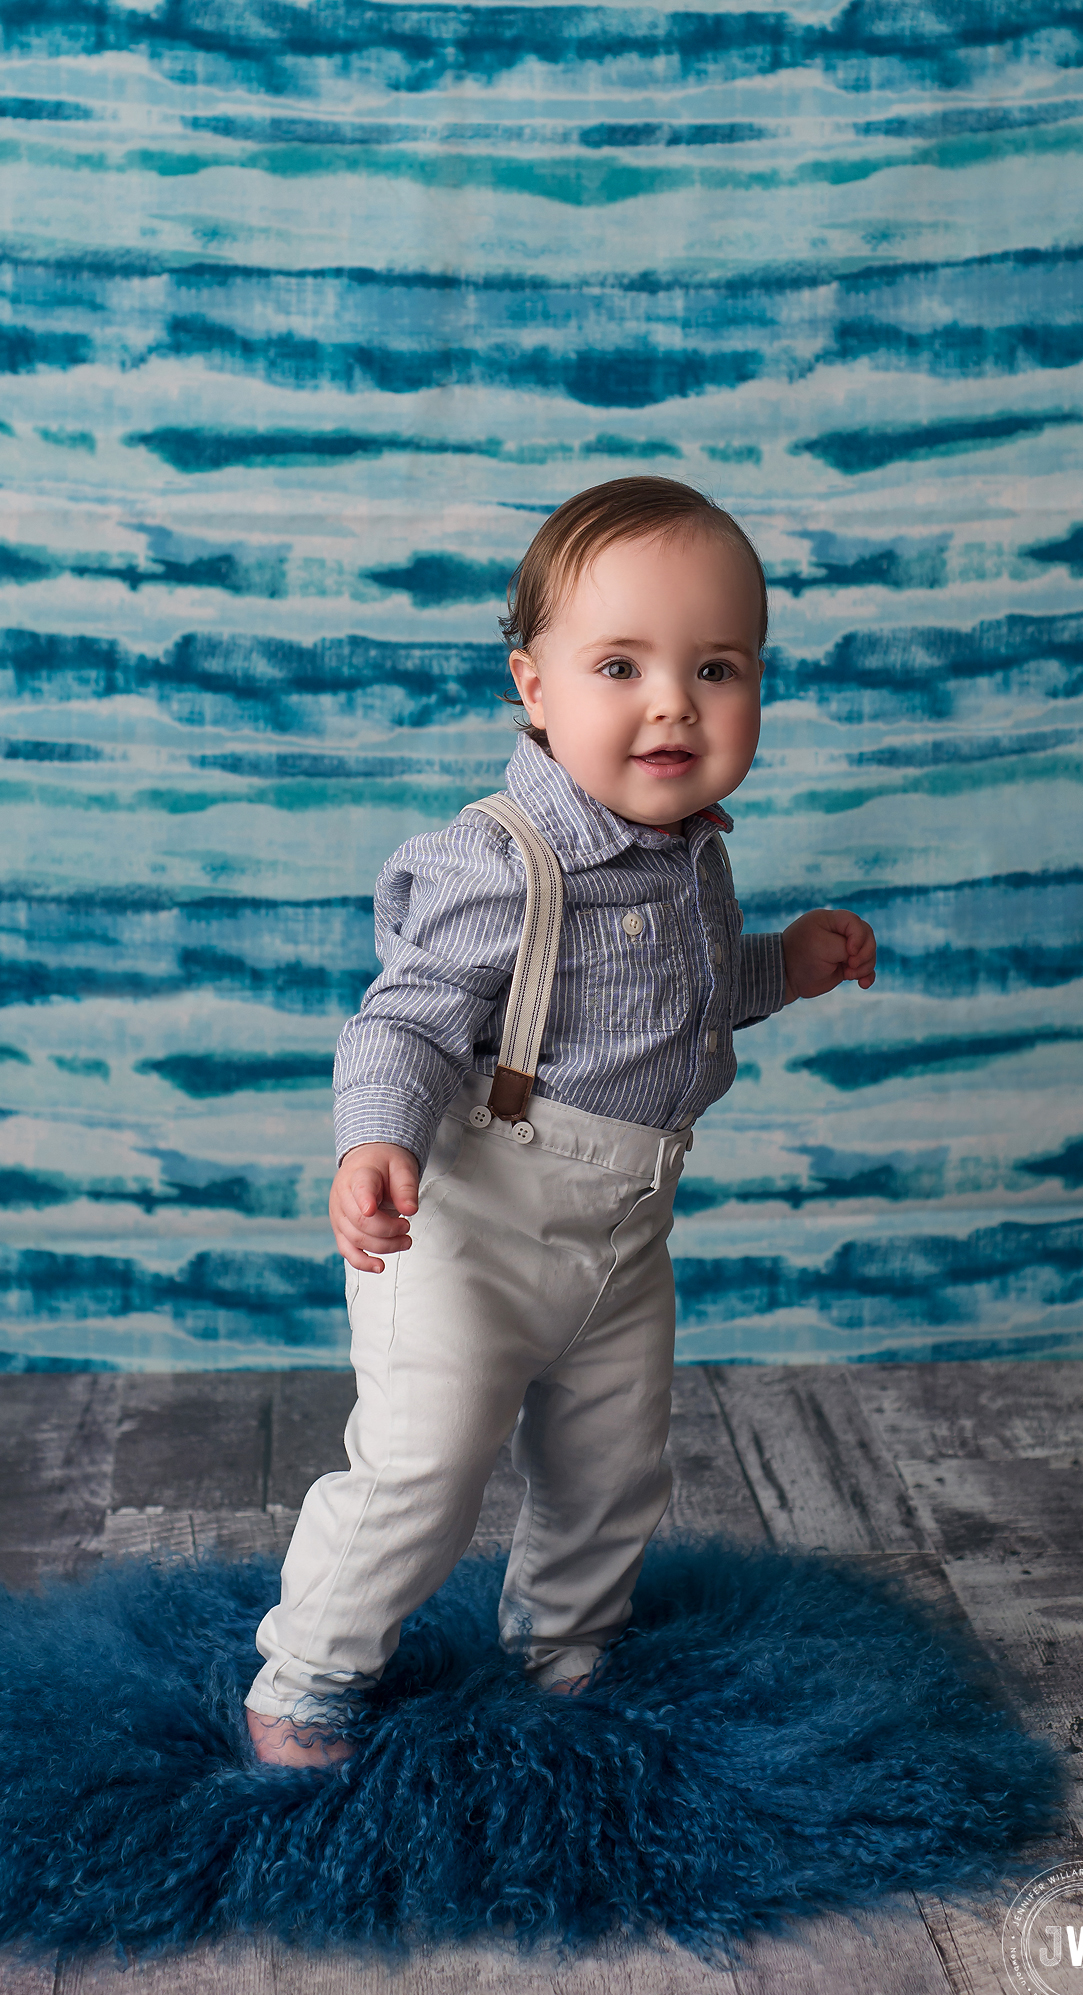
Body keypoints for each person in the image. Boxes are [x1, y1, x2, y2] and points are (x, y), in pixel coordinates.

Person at [245, 476, 877, 1768]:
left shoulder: (688, 852)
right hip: (469, 1223)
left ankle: (562, 1652)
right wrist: (377, 1141)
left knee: (611, 1463)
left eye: (714, 667)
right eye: (618, 666)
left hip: (623, 1231)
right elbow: (407, 1021)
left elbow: (675, 1010)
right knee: (427, 1461)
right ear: (533, 689)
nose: (670, 705)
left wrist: (784, 965)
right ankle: (302, 1679)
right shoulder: (503, 858)